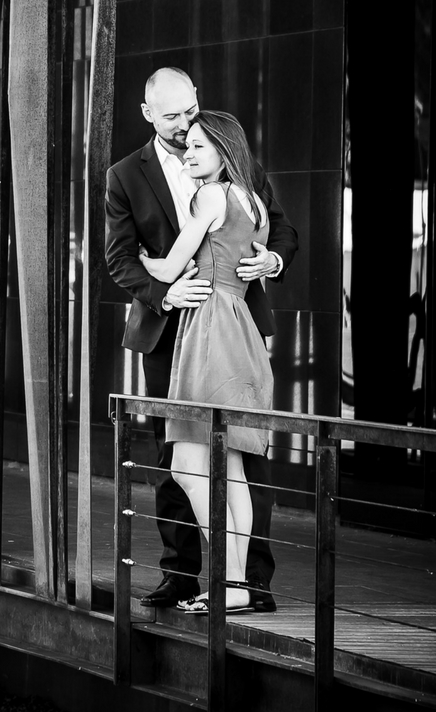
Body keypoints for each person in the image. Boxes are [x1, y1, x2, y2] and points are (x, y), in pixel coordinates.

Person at [104, 68, 297, 613]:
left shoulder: (236, 167)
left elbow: (282, 229)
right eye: (172, 118)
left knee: (234, 461)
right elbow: (117, 259)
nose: (185, 126)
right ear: (147, 114)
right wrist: (165, 294)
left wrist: (271, 258)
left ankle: (246, 582)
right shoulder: (126, 175)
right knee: (181, 458)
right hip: (172, 329)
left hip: (225, 327)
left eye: (191, 112)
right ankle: (185, 573)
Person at [138, 109, 273, 613]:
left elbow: (172, 265)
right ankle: (234, 587)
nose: (188, 152)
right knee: (229, 466)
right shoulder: (252, 200)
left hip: (211, 330)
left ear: (223, 149)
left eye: (197, 146)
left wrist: (142, 260)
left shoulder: (212, 195)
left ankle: (226, 582)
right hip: (239, 331)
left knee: (190, 465)